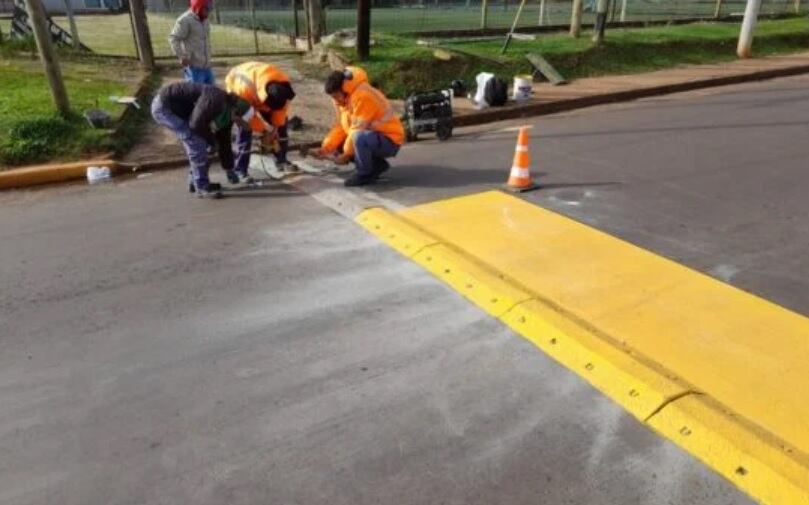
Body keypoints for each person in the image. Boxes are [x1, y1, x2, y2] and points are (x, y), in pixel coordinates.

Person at [151, 82, 253, 198]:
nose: (238, 125)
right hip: (164, 108)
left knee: (204, 143)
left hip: (178, 108)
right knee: (196, 142)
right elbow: (195, 125)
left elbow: (224, 142)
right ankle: (201, 186)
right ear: (236, 111)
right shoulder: (215, 101)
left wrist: (229, 168)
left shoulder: (226, 112)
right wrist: (211, 141)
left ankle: (195, 182)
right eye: (240, 121)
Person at [312, 67, 404, 187]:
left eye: (336, 96)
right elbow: (341, 127)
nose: (335, 100)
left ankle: (365, 175)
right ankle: (377, 166)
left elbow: (358, 128)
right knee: (341, 143)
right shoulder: (345, 98)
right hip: (374, 137)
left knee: (359, 137)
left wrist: (345, 155)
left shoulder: (362, 96)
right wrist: (325, 149)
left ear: (343, 89)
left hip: (390, 140)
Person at [225, 62, 297, 182]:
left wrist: (274, 129)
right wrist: (264, 131)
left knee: (281, 127)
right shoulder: (243, 89)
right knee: (245, 131)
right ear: (266, 99)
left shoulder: (283, 85)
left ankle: (281, 160)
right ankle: (240, 170)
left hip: (258, 87)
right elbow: (249, 117)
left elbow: (281, 110)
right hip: (237, 87)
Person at [169, 0, 214, 84]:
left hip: (207, 66)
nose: (209, 11)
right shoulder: (185, 20)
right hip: (194, 69)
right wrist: (182, 56)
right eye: (207, 8)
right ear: (198, 7)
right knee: (196, 95)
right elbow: (174, 38)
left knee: (212, 93)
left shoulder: (205, 19)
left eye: (210, 7)